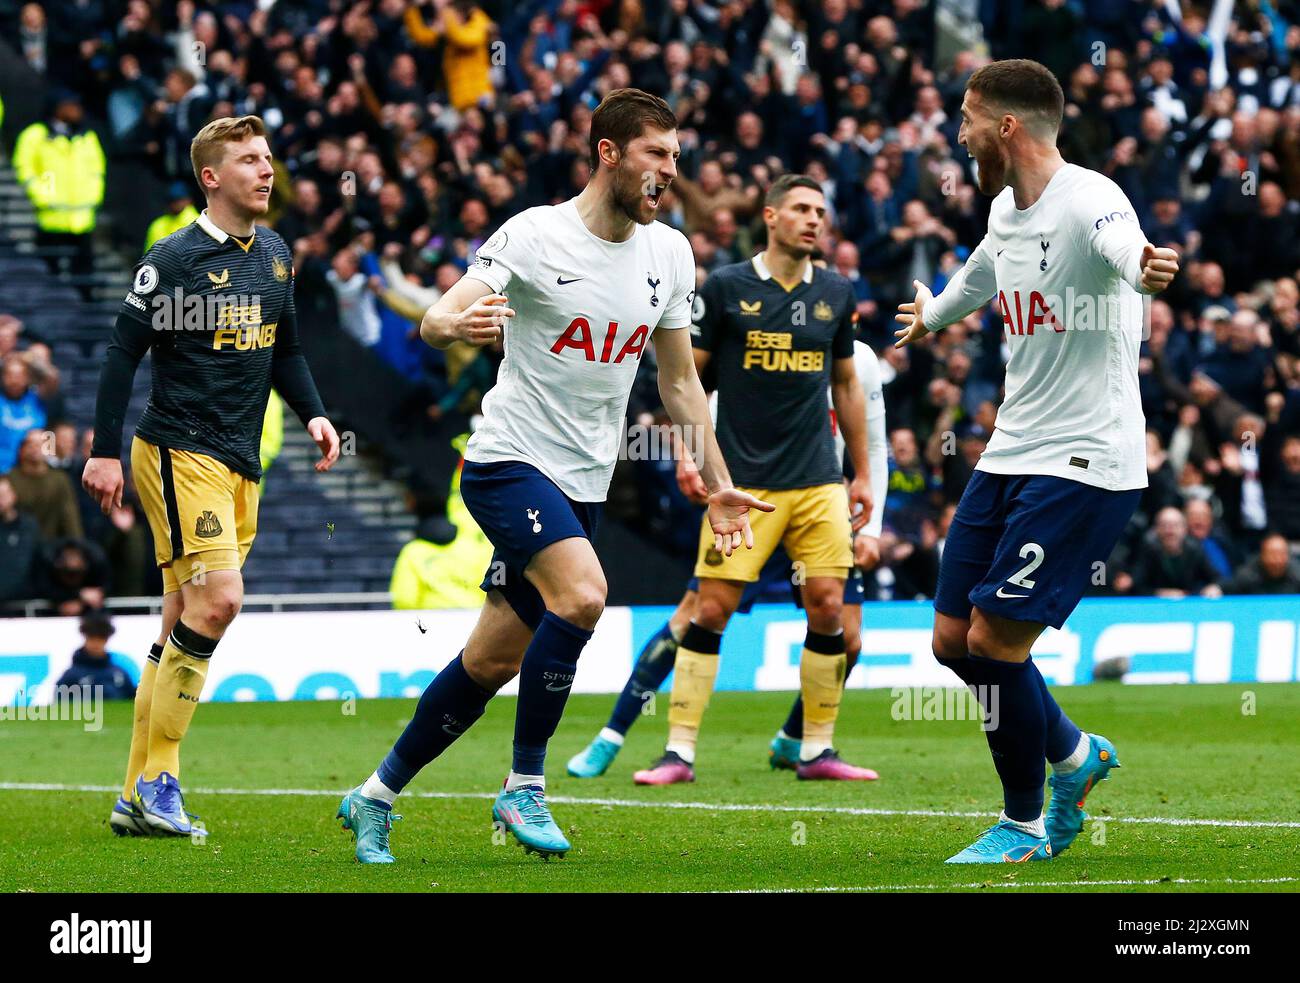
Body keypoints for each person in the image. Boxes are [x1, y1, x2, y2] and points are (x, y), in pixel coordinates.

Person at [337, 88, 771, 864]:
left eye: (676, 156)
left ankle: (374, 795)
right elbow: (441, 315)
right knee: (586, 593)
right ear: (608, 152)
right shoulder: (536, 235)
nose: (671, 171)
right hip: (507, 460)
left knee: (491, 661)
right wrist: (450, 324)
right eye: (657, 154)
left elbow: (677, 385)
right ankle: (525, 786)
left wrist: (718, 479)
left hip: (584, 483)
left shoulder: (670, 253)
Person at [893, 59, 1180, 864]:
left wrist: (1144, 267)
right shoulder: (1003, 208)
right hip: (1012, 448)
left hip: (1084, 458)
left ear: (1007, 126)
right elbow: (987, 267)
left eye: (967, 116)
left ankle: (1022, 822)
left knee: (995, 642)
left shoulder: (1091, 197)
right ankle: (1078, 754)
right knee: (952, 639)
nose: (959, 130)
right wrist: (934, 315)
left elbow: (1123, 245)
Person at [83, 115, 340, 839]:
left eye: (268, 158)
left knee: (181, 623)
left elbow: (285, 350)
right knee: (220, 602)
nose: (267, 170)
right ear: (211, 177)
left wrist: (316, 414)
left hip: (240, 459)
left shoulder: (277, 255)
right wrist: (103, 451)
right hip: (177, 449)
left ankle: (134, 793)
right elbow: (119, 353)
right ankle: (163, 779)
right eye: (251, 160)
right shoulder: (173, 260)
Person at [566, 326, 889, 780]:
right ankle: (613, 735)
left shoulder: (860, 363)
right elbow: (706, 397)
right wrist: (690, 455)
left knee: (847, 636)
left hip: (818, 504)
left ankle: (797, 741)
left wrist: (872, 528)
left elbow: (873, 444)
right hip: (750, 500)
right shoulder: (761, 352)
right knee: (696, 616)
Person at [56, 611, 138, 703]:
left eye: (101, 637)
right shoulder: (71, 676)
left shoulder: (120, 673)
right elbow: (61, 710)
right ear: (85, 636)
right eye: (92, 637)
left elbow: (132, 704)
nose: (96, 643)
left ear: (107, 639)